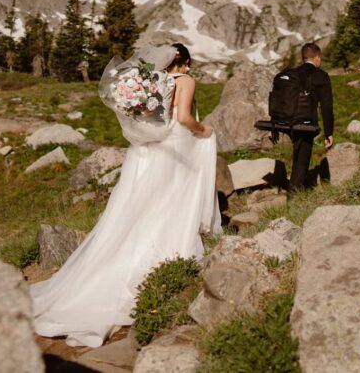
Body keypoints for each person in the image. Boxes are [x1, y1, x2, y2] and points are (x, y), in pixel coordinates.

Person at [30, 43, 221, 347]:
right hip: (173, 149)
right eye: (188, 64)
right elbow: (184, 118)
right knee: (168, 206)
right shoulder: (184, 81)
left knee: (135, 209)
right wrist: (206, 130)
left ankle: (110, 264)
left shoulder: (152, 81)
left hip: (146, 151)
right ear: (183, 63)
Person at [275, 42, 334, 192]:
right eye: (320, 58)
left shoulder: (291, 74)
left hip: (286, 120)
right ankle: (293, 197)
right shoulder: (321, 76)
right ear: (316, 57)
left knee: (299, 153)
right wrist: (329, 133)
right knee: (302, 159)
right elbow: (326, 107)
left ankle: (295, 186)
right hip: (305, 123)